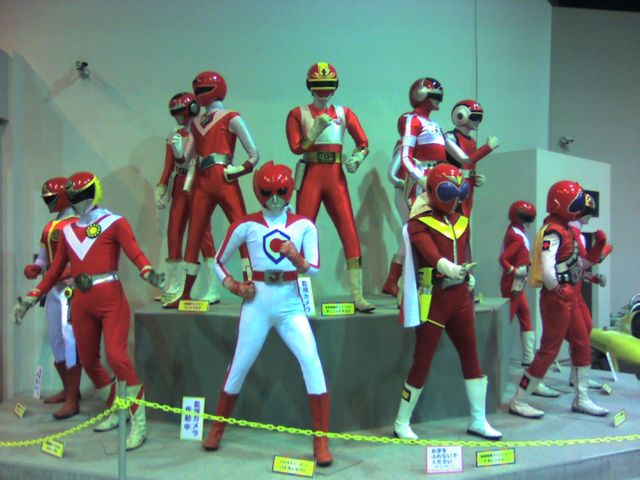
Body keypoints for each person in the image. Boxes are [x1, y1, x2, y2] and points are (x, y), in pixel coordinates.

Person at [12, 172, 164, 450]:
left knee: (117, 357)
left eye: (81, 194)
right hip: (82, 300)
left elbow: (134, 252)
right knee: (89, 360)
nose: (77, 200)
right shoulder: (67, 230)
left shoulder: (114, 222)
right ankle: (117, 409)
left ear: (93, 193)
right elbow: (54, 270)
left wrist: (147, 271)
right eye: (73, 195)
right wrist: (32, 296)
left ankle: (138, 422)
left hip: (109, 296)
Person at [202, 161, 332, 466]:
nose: (274, 199)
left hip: (290, 304)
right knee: (239, 364)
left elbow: (314, 268)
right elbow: (218, 261)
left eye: (281, 192)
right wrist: (234, 286)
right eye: (267, 192)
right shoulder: (245, 225)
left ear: (290, 190)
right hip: (257, 303)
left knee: (311, 362)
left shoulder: (304, 226)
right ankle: (217, 428)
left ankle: (321, 439)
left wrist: (296, 258)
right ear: (257, 191)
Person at [393, 163, 502, 441]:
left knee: (471, 356)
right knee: (422, 359)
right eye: (447, 193)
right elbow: (431, 255)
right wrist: (449, 268)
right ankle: (401, 421)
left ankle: (478, 419)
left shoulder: (461, 219)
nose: (454, 200)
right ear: (432, 191)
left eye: (459, 193)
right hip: (434, 297)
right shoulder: (418, 223)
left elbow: (465, 252)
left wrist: (468, 276)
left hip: (460, 297)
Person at [509, 181, 609, 419]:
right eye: (576, 203)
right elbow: (547, 267)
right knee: (549, 350)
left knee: (582, 344)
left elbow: (579, 264)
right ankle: (518, 400)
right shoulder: (553, 231)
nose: (580, 208)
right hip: (558, 299)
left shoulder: (565, 230)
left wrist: (598, 248)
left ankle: (582, 398)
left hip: (569, 296)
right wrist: (557, 289)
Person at [164, 71, 258, 308]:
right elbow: (186, 159)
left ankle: (252, 286)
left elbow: (254, 154)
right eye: (198, 91)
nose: (200, 94)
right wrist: (178, 151)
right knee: (194, 235)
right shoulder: (196, 123)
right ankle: (185, 293)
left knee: (242, 229)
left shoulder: (231, 117)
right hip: (203, 181)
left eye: (204, 90)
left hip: (225, 179)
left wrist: (239, 170)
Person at [286, 62, 373, 312]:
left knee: (349, 231)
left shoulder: (344, 113)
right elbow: (296, 148)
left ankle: (357, 295)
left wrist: (357, 158)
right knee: (302, 232)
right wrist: (313, 132)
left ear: (335, 87)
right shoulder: (298, 113)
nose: (323, 92)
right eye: (318, 86)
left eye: (328, 86)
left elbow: (363, 142)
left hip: (335, 177)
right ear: (310, 86)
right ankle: (300, 293)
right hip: (312, 175)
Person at [21, 177, 82, 419]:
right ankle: (69, 390)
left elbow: (81, 259)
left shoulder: (77, 224)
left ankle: (72, 397)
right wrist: (36, 267)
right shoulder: (50, 227)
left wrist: (57, 274)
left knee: (70, 340)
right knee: (56, 339)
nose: (48, 202)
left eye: (52, 198)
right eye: (46, 198)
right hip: (53, 290)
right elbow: (43, 257)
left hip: (70, 289)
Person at [155, 92, 218, 305]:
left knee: (203, 235)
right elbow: (168, 166)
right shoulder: (174, 134)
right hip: (181, 183)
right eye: (174, 114)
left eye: (180, 113)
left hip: (198, 183)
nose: (177, 118)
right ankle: (174, 285)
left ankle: (213, 286)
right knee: (174, 232)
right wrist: (162, 186)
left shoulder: (203, 130)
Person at [444, 99, 499, 216]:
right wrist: (487, 147)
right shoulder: (450, 137)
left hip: (468, 186)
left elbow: (470, 164)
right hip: (453, 185)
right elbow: (465, 159)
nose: (478, 121)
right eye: (474, 117)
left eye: (480, 118)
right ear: (461, 115)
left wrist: (475, 178)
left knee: (465, 217)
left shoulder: (472, 141)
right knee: (454, 217)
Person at [500, 201, 537, 366]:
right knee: (506, 318)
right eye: (526, 217)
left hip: (517, 281)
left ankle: (528, 357)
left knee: (525, 316)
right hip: (512, 283)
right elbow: (503, 259)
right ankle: (497, 356)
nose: (529, 221)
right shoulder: (516, 235)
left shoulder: (516, 232)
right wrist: (516, 271)